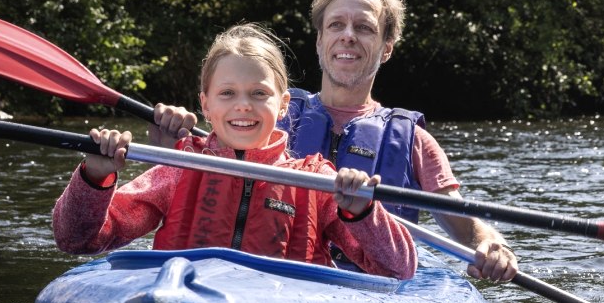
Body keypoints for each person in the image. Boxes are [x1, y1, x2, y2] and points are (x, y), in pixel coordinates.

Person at [151, 0, 520, 282]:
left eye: (364, 27)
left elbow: (461, 221)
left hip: (368, 289)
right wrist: (169, 147)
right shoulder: (263, 111)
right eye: (336, 25)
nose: (348, 35)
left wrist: (490, 242)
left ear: (386, 48)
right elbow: (204, 185)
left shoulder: (412, 140)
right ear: (319, 40)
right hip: (277, 278)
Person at [52, 24, 417, 280]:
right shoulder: (177, 169)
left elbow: (398, 268)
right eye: (227, 94)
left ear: (284, 105)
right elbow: (78, 240)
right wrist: (96, 178)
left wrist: (362, 212)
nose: (243, 105)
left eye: (259, 94)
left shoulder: (316, 181)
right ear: (206, 105)